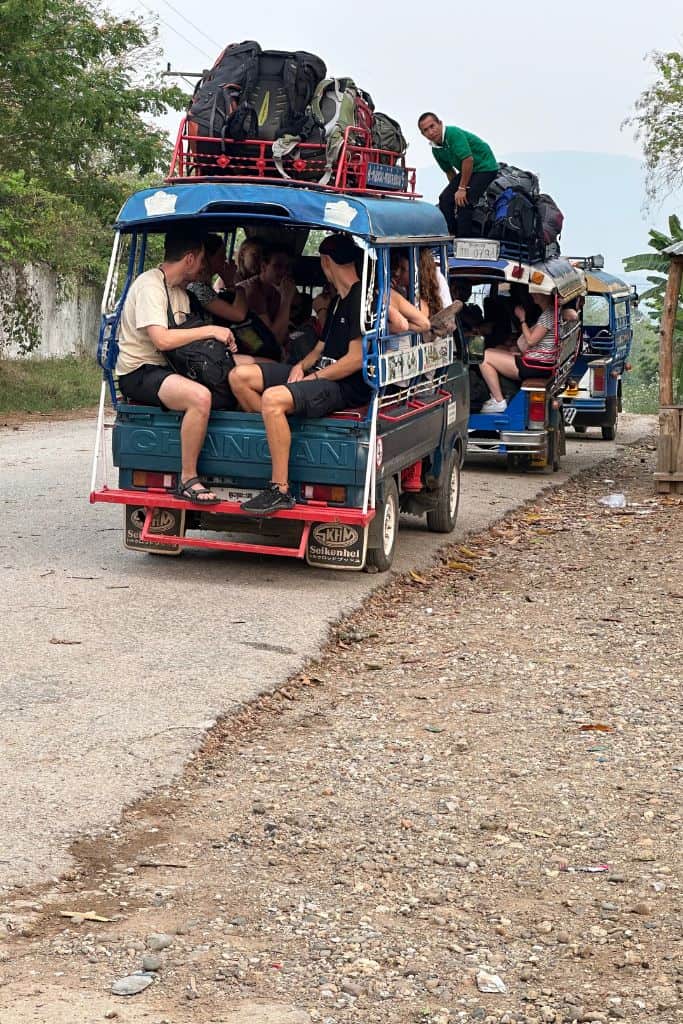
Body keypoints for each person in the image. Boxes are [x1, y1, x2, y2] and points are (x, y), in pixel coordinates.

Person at [229, 233, 371, 516]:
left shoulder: (358, 298)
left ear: (326, 261)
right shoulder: (338, 301)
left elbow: (355, 360)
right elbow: (319, 348)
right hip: (318, 375)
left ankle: (279, 488)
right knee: (239, 377)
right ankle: (276, 437)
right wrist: (301, 366)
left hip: (341, 386)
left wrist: (314, 378)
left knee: (272, 399)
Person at [115, 229, 238, 505]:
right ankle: (188, 478)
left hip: (170, 366)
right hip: (140, 372)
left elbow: (189, 345)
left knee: (236, 374)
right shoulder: (150, 286)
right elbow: (162, 338)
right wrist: (211, 330)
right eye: (203, 260)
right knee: (200, 397)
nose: (205, 267)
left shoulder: (181, 292)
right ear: (191, 259)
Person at [418, 112, 498, 236]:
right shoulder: (436, 149)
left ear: (440, 123)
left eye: (432, 126)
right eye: (425, 130)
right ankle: (452, 234)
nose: (430, 132)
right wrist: (454, 192)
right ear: (422, 134)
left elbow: (468, 160)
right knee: (445, 199)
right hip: (469, 170)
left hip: (485, 166)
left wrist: (462, 190)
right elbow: (449, 172)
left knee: (464, 202)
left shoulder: (453, 134)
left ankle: (463, 241)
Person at [478, 291, 557, 413]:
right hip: (537, 361)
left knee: (484, 356)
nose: (533, 294)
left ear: (547, 295)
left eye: (538, 292)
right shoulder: (550, 312)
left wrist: (522, 319)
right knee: (498, 348)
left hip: (534, 365)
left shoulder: (549, 315)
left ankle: (498, 401)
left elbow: (530, 340)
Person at [237, 244, 297, 351]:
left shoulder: (275, 289)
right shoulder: (253, 292)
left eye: (287, 268)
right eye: (277, 266)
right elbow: (273, 340)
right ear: (264, 267)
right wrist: (286, 300)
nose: (283, 272)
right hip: (248, 348)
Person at [187, 233, 247, 324]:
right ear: (207, 258)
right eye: (221, 255)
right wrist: (240, 289)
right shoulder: (197, 288)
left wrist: (229, 282)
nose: (225, 259)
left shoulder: (204, 286)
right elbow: (239, 315)